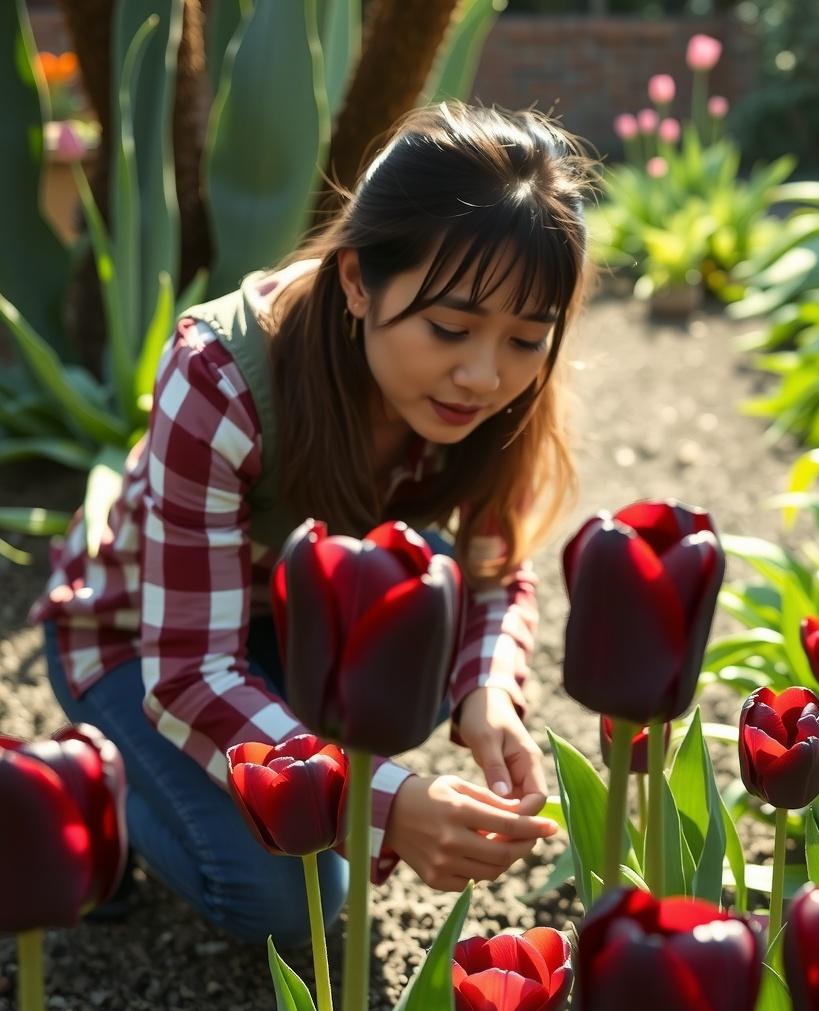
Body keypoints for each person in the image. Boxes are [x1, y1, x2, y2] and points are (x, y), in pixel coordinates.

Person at [30, 102, 596, 947]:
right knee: (286, 902)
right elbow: (189, 670)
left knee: (424, 596)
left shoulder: (496, 397)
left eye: (526, 338)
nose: (484, 375)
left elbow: (492, 571)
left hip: (288, 629)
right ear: (358, 280)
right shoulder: (223, 376)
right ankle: (93, 792)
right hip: (136, 643)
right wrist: (389, 806)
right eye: (450, 328)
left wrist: (487, 693)